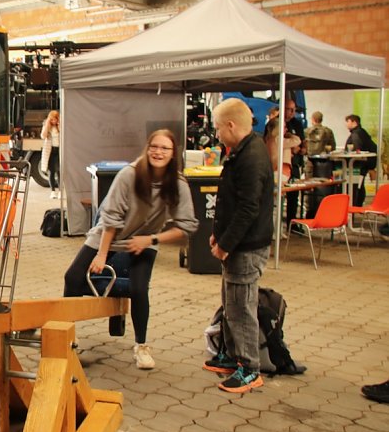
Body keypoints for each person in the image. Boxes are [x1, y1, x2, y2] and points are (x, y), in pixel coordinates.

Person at [63, 129, 198, 369]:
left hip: (144, 240)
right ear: (147, 148)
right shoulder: (130, 174)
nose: (158, 152)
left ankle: (141, 346)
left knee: (138, 288)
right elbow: (110, 218)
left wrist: (151, 240)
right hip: (108, 235)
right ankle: (67, 342)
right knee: (72, 277)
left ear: (173, 153)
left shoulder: (177, 184)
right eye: (153, 146)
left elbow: (186, 227)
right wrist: (102, 255)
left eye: (164, 148)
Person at [204, 98, 274, 393]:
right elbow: (232, 203)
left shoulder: (251, 157)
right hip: (237, 245)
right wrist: (218, 235)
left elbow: (248, 208)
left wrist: (226, 244)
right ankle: (232, 357)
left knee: (241, 307)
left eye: (218, 128)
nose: (217, 134)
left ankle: (249, 368)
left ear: (231, 125)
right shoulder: (244, 150)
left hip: (246, 248)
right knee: (231, 303)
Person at [344, 114, 377, 207]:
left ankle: (356, 205)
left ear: (354, 122)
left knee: (357, 186)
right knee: (360, 185)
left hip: (358, 165)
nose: (346, 124)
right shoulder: (362, 132)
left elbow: (356, 149)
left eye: (348, 122)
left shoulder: (356, 134)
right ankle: (358, 204)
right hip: (364, 164)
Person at [264, 117, 301, 183]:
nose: (286, 129)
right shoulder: (278, 139)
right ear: (278, 128)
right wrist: (290, 135)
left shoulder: (268, 139)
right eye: (284, 127)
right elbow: (297, 141)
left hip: (274, 171)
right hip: (280, 173)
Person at [41, 110, 61, 198]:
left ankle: (60, 190)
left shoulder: (60, 126)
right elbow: (43, 136)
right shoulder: (47, 126)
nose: (53, 121)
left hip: (59, 150)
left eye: (55, 120)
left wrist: (60, 124)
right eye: (52, 120)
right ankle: (53, 191)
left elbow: (64, 135)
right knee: (51, 171)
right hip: (50, 150)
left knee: (60, 171)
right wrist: (47, 125)